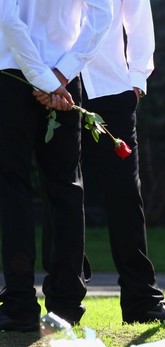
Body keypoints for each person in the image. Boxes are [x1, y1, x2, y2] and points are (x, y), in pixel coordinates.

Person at [79, 0, 165, 324]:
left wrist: (137, 80)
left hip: (111, 87)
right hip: (52, 85)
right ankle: (62, 299)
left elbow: (138, 17)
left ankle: (142, 301)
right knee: (61, 193)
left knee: (126, 197)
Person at [0, 0, 113, 331]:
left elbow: (7, 17)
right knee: (65, 187)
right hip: (63, 76)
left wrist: (42, 76)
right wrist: (57, 75)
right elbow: (102, 16)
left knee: (14, 186)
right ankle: (65, 304)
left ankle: (19, 303)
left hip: (15, 72)